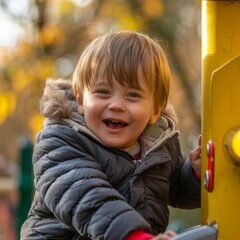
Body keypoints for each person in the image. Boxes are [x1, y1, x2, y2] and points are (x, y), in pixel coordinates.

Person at [20, 30, 201, 240]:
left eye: (132, 95)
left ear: (155, 111)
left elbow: (176, 190)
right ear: (80, 99)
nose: (116, 105)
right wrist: (134, 236)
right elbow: (85, 196)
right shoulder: (60, 141)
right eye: (103, 92)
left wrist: (196, 175)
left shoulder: (159, 147)